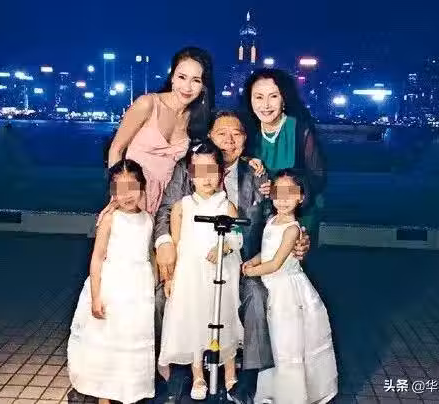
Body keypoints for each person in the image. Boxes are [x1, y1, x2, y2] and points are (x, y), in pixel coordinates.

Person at [154, 110, 310, 403]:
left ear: (245, 139)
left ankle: (248, 377)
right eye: (221, 134)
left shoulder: (256, 173)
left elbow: (277, 216)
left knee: (256, 295)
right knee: (163, 298)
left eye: (236, 134)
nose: (229, 140)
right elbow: (167, 210)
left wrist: (299, 236)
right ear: (209, 137)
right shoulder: (188, 168)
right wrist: (165, 243)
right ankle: (177, 372)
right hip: (194, 266)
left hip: (241, 263)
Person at [242, 169, 338, 404]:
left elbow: (275, 263)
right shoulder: (271, 220)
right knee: (274, 344)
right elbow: (266, 253)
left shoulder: (293, 229)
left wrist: (250, 272)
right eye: (278, 192)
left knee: (288, 344)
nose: (283, 199)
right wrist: (252, 261)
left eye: (290, 193)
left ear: (301, 197)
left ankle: (292, 396)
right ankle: (272, 391)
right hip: (271, 286)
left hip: (287, 292)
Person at [158, 140, 243, 400]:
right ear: (191, 174)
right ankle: (198, 374)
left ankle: (229, 373)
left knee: (223, 316)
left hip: (221, 273)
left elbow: (237, 237)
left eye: (212, 171)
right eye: (200, 172)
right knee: (195, 318)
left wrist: (224, 246)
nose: (206, 179)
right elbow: (176, 243)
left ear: (221, 173)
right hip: (191, 274)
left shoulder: (226, 206)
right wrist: (170, 278)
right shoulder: (182, 206)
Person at [67, 159, 156, 404]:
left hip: (138, 292)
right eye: (120, 188)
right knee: (106, 344)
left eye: (132, 187)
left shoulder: (148, 219)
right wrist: (96, 296)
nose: (127, 195)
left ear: (142, 186)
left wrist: (157, 282)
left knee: (130, 344)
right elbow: (97, 258)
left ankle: (127, 393)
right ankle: (103, 398)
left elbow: (149, 254)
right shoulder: (110, 219)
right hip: (112, 288)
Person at [105, 47, 215, 216]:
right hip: (133, 197)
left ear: (203, 86)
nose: (187, 87)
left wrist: (248, 160)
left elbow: (212, 155)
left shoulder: (197, 119)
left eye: (196, 80)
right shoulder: (148, 104)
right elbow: (116, 149)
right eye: (182, 77)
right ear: (172, 78)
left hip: (168, 204)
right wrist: (117, 197)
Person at [242, 68, 327, 245]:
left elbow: (317, 178)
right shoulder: (244, 130)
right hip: (252, 217)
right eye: (258, 97)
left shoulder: (299, 130)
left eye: (273, 96)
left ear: (284, 99)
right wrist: (247, 161)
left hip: (295, 217)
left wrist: (278, 189)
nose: (265, 105)